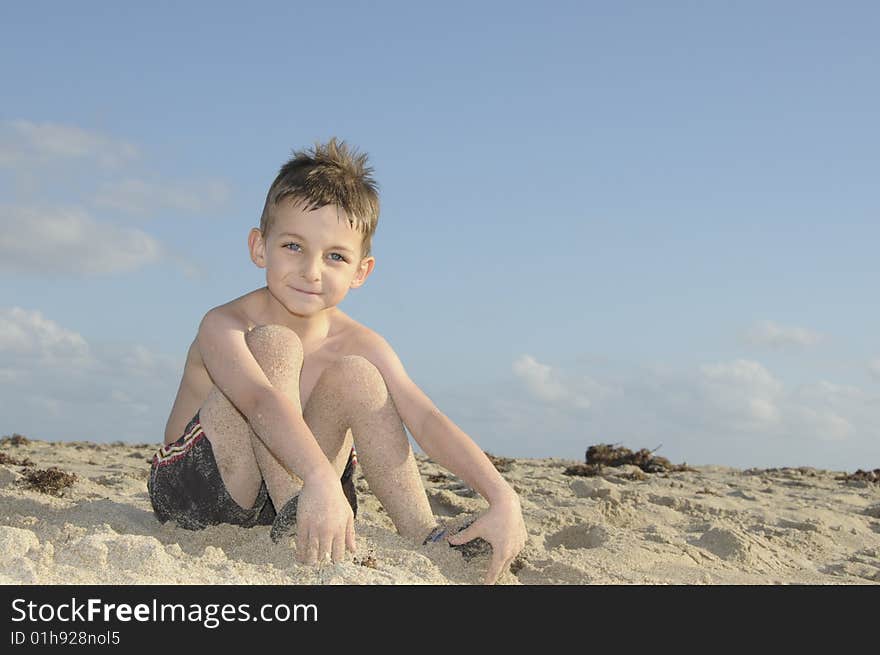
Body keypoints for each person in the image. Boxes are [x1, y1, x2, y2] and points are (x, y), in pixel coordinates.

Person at [147, 138, 527, 584]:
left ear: (360, 271)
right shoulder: (225, 324)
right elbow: (258, 400)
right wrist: (319, 480)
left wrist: (504, 498)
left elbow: (424, 417)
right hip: (202, 491)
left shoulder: (358, 340)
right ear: (259, 247)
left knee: (359, 376)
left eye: (334, 257)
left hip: (306, 492)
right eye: (293, 246)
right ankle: (299, 515)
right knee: (275, 344)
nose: (312, 270)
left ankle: (422, 533)